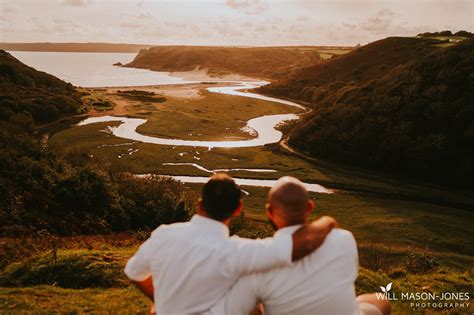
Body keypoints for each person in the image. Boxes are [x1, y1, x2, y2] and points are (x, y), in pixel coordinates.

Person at [124, 173, 339, 314]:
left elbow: (133, 271)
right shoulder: (238, 252)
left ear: (200, 206)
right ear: (238, 210)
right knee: (251, 282)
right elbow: (303, 244)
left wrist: (161, 301)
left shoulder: (164, 235)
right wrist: (327, 221)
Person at [208, 176, 390, 315]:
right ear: (309, 207)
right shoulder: (344, 239)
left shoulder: (258, 264)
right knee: (380, 300)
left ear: (269, 212)